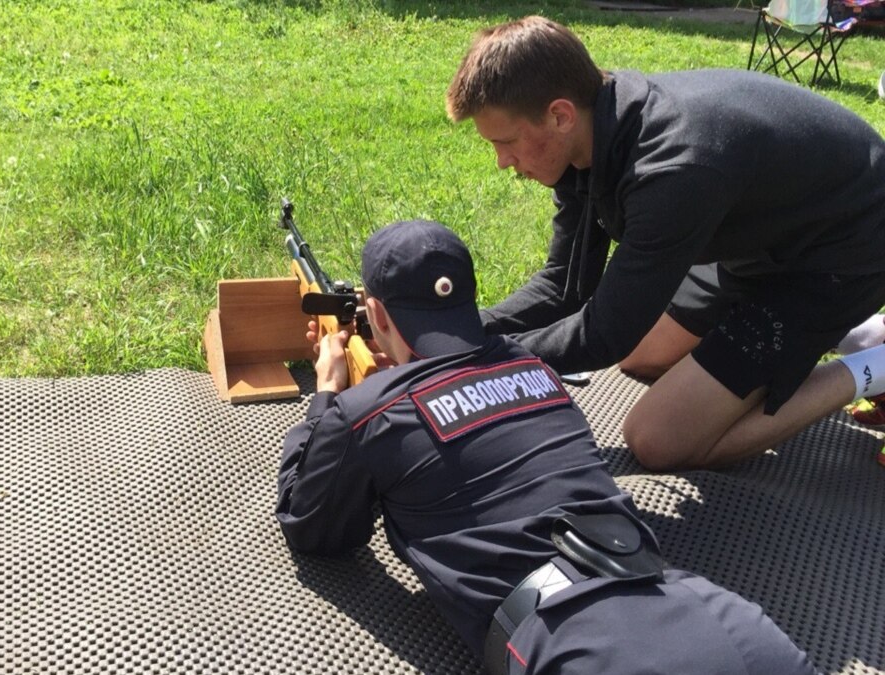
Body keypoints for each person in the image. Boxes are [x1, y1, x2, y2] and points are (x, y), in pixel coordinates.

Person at [275, 219, 815, 674]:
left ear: (378, 315)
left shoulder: (370, 412)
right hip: (713, 615)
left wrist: (329, 393)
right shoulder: (535, 371)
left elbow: (313, 526)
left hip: (575, 644)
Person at [444, 16, 885, 471]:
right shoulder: (590, 132)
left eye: (507, 142)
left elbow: (604, 335)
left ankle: (873, 367)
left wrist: (474, 362)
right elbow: (565, 287)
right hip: (758, 234)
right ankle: (855, 332)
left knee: (659, 439)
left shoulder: (672, 168)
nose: (502, 162)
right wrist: (454, 333)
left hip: (844, 253)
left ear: (559, 115)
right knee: (643, 357)